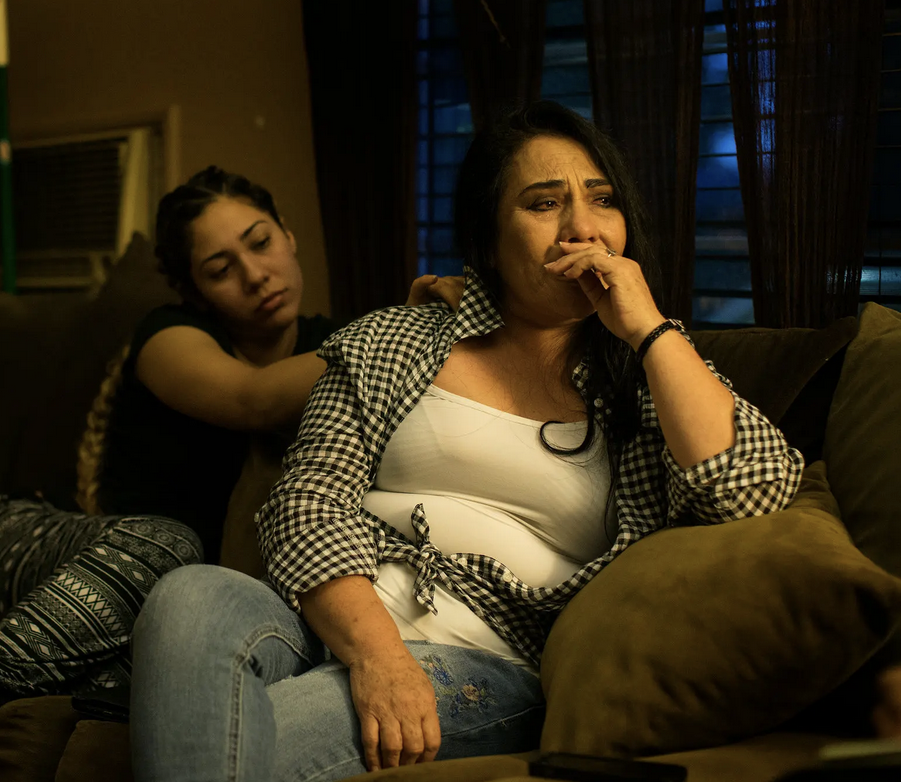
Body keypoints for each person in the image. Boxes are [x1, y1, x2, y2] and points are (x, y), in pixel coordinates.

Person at [128, 102, 806, 782]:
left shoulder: (646, 377)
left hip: (484, 659)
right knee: (188, 595)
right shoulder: (396, 338)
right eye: (545, 203)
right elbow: (306, 501)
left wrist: (649, 329)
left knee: (258, 741)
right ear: (487, 236)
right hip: (324, 615)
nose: (582, 228)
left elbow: (753, 491)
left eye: (602, 200)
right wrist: (378, 655)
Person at [0, 167, 462, 782]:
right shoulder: (168, 337)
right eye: (220, 269)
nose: (254, 274)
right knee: (174, 552)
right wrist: (403, 332)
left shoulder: (336, 342)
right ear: (195, 290)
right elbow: (251, 399)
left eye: (261, 242)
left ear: (288, 235)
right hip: (24, 552)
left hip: (150, 614)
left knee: (188, 643)